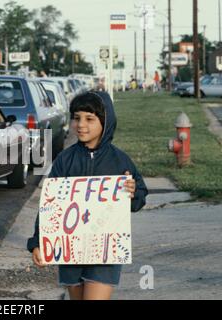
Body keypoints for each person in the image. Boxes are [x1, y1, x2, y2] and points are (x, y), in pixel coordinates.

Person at [27, 91, 148, 300]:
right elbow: (49, 206)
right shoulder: (65, 160)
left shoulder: (120, 161)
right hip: (70, 253)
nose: (81, 124)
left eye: (89, 119)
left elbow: (139, 199)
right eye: (76, 118)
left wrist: (133, 191)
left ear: (105, 121)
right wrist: (38, 241)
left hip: (104, 253)